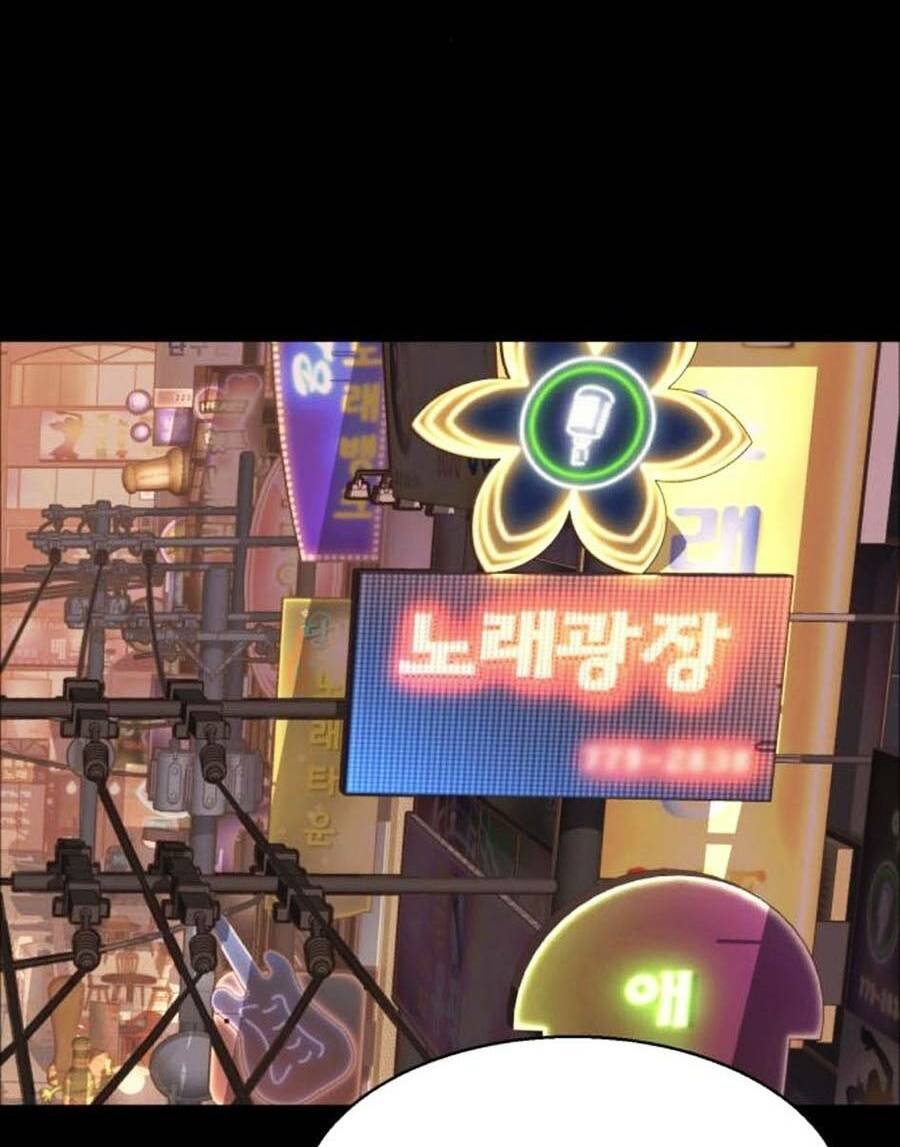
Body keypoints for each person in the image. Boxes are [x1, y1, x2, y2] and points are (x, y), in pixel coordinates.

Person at [846, 1027, 896, 1104]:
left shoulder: (871, 1098)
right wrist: (875, 1045)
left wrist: (874, 1045)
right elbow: (890, 1074)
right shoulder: (879, 1098)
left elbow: (889, 1074)